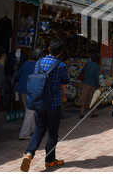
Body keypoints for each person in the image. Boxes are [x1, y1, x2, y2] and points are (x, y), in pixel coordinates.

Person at [20, 39, 69, 172]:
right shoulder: (61, 66)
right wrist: (63, 94)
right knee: (52, 133)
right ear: (61, 52)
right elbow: (64, 82)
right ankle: (50, 160)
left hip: (40, 102)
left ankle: (29, 153)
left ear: (48, 49)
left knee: (39, 129)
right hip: (54, 103)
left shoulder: (39, 62)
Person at [16, 49, 44, 140]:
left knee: (29, 111)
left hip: (22, 89)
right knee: (30, 112)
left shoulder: (25, 63)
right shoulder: (38, 66)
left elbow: (18, 75)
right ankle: (23, 133)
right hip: (32, 90)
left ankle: (32, 129)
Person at [79, 53, 101, 119]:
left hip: (85, 83)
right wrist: (98, 86)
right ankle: (93, 113)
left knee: (84, 97)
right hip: (93, 85)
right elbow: (96, 77)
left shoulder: (87, 64)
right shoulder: (97, 67)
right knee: (94, 99)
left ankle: (81, 112)